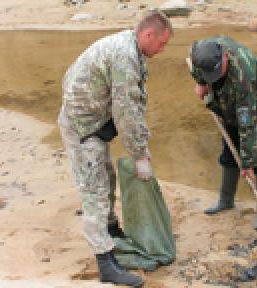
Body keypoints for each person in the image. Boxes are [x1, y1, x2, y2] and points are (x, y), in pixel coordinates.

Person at [58, 10, 173, 287]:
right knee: (95, 192)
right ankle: (105, 262)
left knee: (107, 178)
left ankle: (112, 231)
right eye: (162, 43)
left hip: (93, 123)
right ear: (148, 34)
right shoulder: (124, 56)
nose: (163, 49)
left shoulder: (130, 47)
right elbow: (127, 113)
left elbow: (130, 101)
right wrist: (140, 154)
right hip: (82, 128)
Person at [188, 36, 257, 230]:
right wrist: (201, 83)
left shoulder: (242, 74)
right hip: (228, 102)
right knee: (229, 149)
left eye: (214, 74)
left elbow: (247, 126)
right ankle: (226, 200)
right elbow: (195, 67)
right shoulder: (201, 53)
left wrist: (247, 164)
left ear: (225, 58)